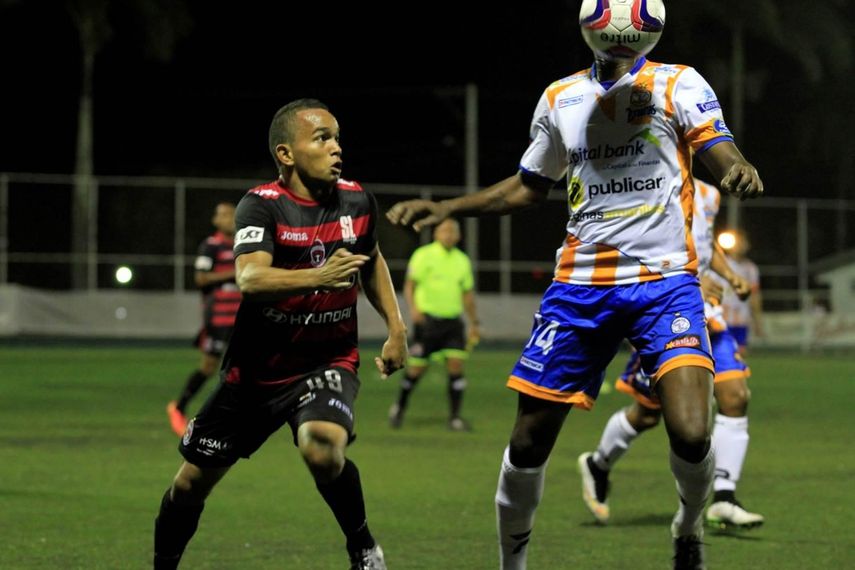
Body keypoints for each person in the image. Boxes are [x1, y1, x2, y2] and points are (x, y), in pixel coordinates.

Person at [386, 6, 763, 568]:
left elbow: (717, 145)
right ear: (591, 27)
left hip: (666, 284)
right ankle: (512, 565)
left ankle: (688, 527)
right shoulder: (560, 97)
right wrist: (448, 207)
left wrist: (737, 167)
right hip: (581, 288)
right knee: (529, 441)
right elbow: (527, 186)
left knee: (689, 432)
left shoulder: (677, 82)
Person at [153, 99, 408, 570]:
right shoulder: (261, 206)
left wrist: (396, 326)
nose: (336, 148)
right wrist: (319, 277)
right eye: (322, 138)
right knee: (190, 485)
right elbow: (250, 280)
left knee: (322, 448)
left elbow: (371, 261)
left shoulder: (357, 200)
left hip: (326, 362)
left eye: (336, 137)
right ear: (286, 154)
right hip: (255, 374)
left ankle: (363, 547)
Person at [577, 179, 765, 531]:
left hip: (709, 315)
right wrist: (686, 279)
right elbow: (634, 241)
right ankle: (598, 464)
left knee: (735, 397)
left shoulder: (709, 193)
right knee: (648, 415)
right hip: (667, 310)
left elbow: (706, 245)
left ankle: (724, 497)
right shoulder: (645, 179)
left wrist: (729, 276)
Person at [388, 218, 480, 431]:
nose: (448, 234)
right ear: (436, 233)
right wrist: (413, 310)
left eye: (452, 230)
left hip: (453, 323)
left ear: (458, 235)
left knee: (456, 366)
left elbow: (467, 294)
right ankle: (399, 408)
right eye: (444, 230)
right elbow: (409, 285)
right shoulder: (423, 255)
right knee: (416, 369)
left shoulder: (462, 260)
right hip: (428, 322)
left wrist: (474, 321)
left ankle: (455, 418)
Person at [167, 202, 240, 436]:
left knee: (246, 368)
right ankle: (178, 408)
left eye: (232, 215)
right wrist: (236, 273)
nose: (228, 219)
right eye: (223, 215)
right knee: (209, 367)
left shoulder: (244, 246)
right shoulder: (211, 246)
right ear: (216, 221)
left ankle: (233, 417)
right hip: (217, 318)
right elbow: (200, 279)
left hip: (241, 319)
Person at [720, 230, 764, 354]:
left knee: (739, 355)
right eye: (738, 242)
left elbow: (755, 296)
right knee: (722, 354)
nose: (740, 246)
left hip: (742, 319)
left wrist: (757, 321)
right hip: (722, 318)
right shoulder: (721, 264)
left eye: (743, 242)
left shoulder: (751, 268)